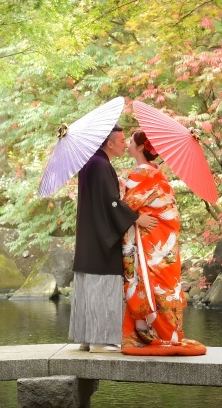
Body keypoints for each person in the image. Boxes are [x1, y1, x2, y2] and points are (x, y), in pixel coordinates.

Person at [69, 125, 157, 353]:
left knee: (88, 288)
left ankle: (86, 338)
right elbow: (111, 203)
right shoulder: (101, 165)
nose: (125, 144)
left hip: (89, 237)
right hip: (101, 240)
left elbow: (105, 199)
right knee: (102, 286)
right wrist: (136, 218)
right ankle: (98, 340)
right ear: (109, 143)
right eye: (121, 141)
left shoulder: (90, 163)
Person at [120, 129, 206, 356]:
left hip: (148, 240)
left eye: (130, 141)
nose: (127, 144)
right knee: (165, 284)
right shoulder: (159, 174)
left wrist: (133, 215)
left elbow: (125, 208)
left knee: (145, 280)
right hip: (163, 239)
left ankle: (148, 330)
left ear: (140, 147)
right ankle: (171, 333)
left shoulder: (138, 174)